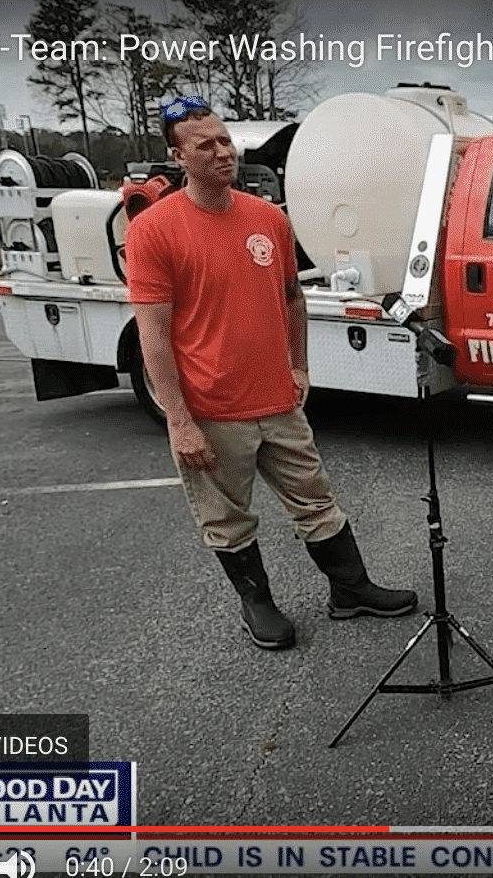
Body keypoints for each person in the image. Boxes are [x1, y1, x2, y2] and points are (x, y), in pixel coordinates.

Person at [126, 96, 416, 650]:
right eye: (204, 145)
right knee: (227, 518)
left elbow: (292, 300)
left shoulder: (268, 219)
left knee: (317, 499)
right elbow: (154, 338)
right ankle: (257, 603)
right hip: (212, 409)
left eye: (224, 139)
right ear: (177, 156)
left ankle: (350, 591)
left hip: (277, 401)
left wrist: (299, 366)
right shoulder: (155, 231)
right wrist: (179, 421)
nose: (221, 152)